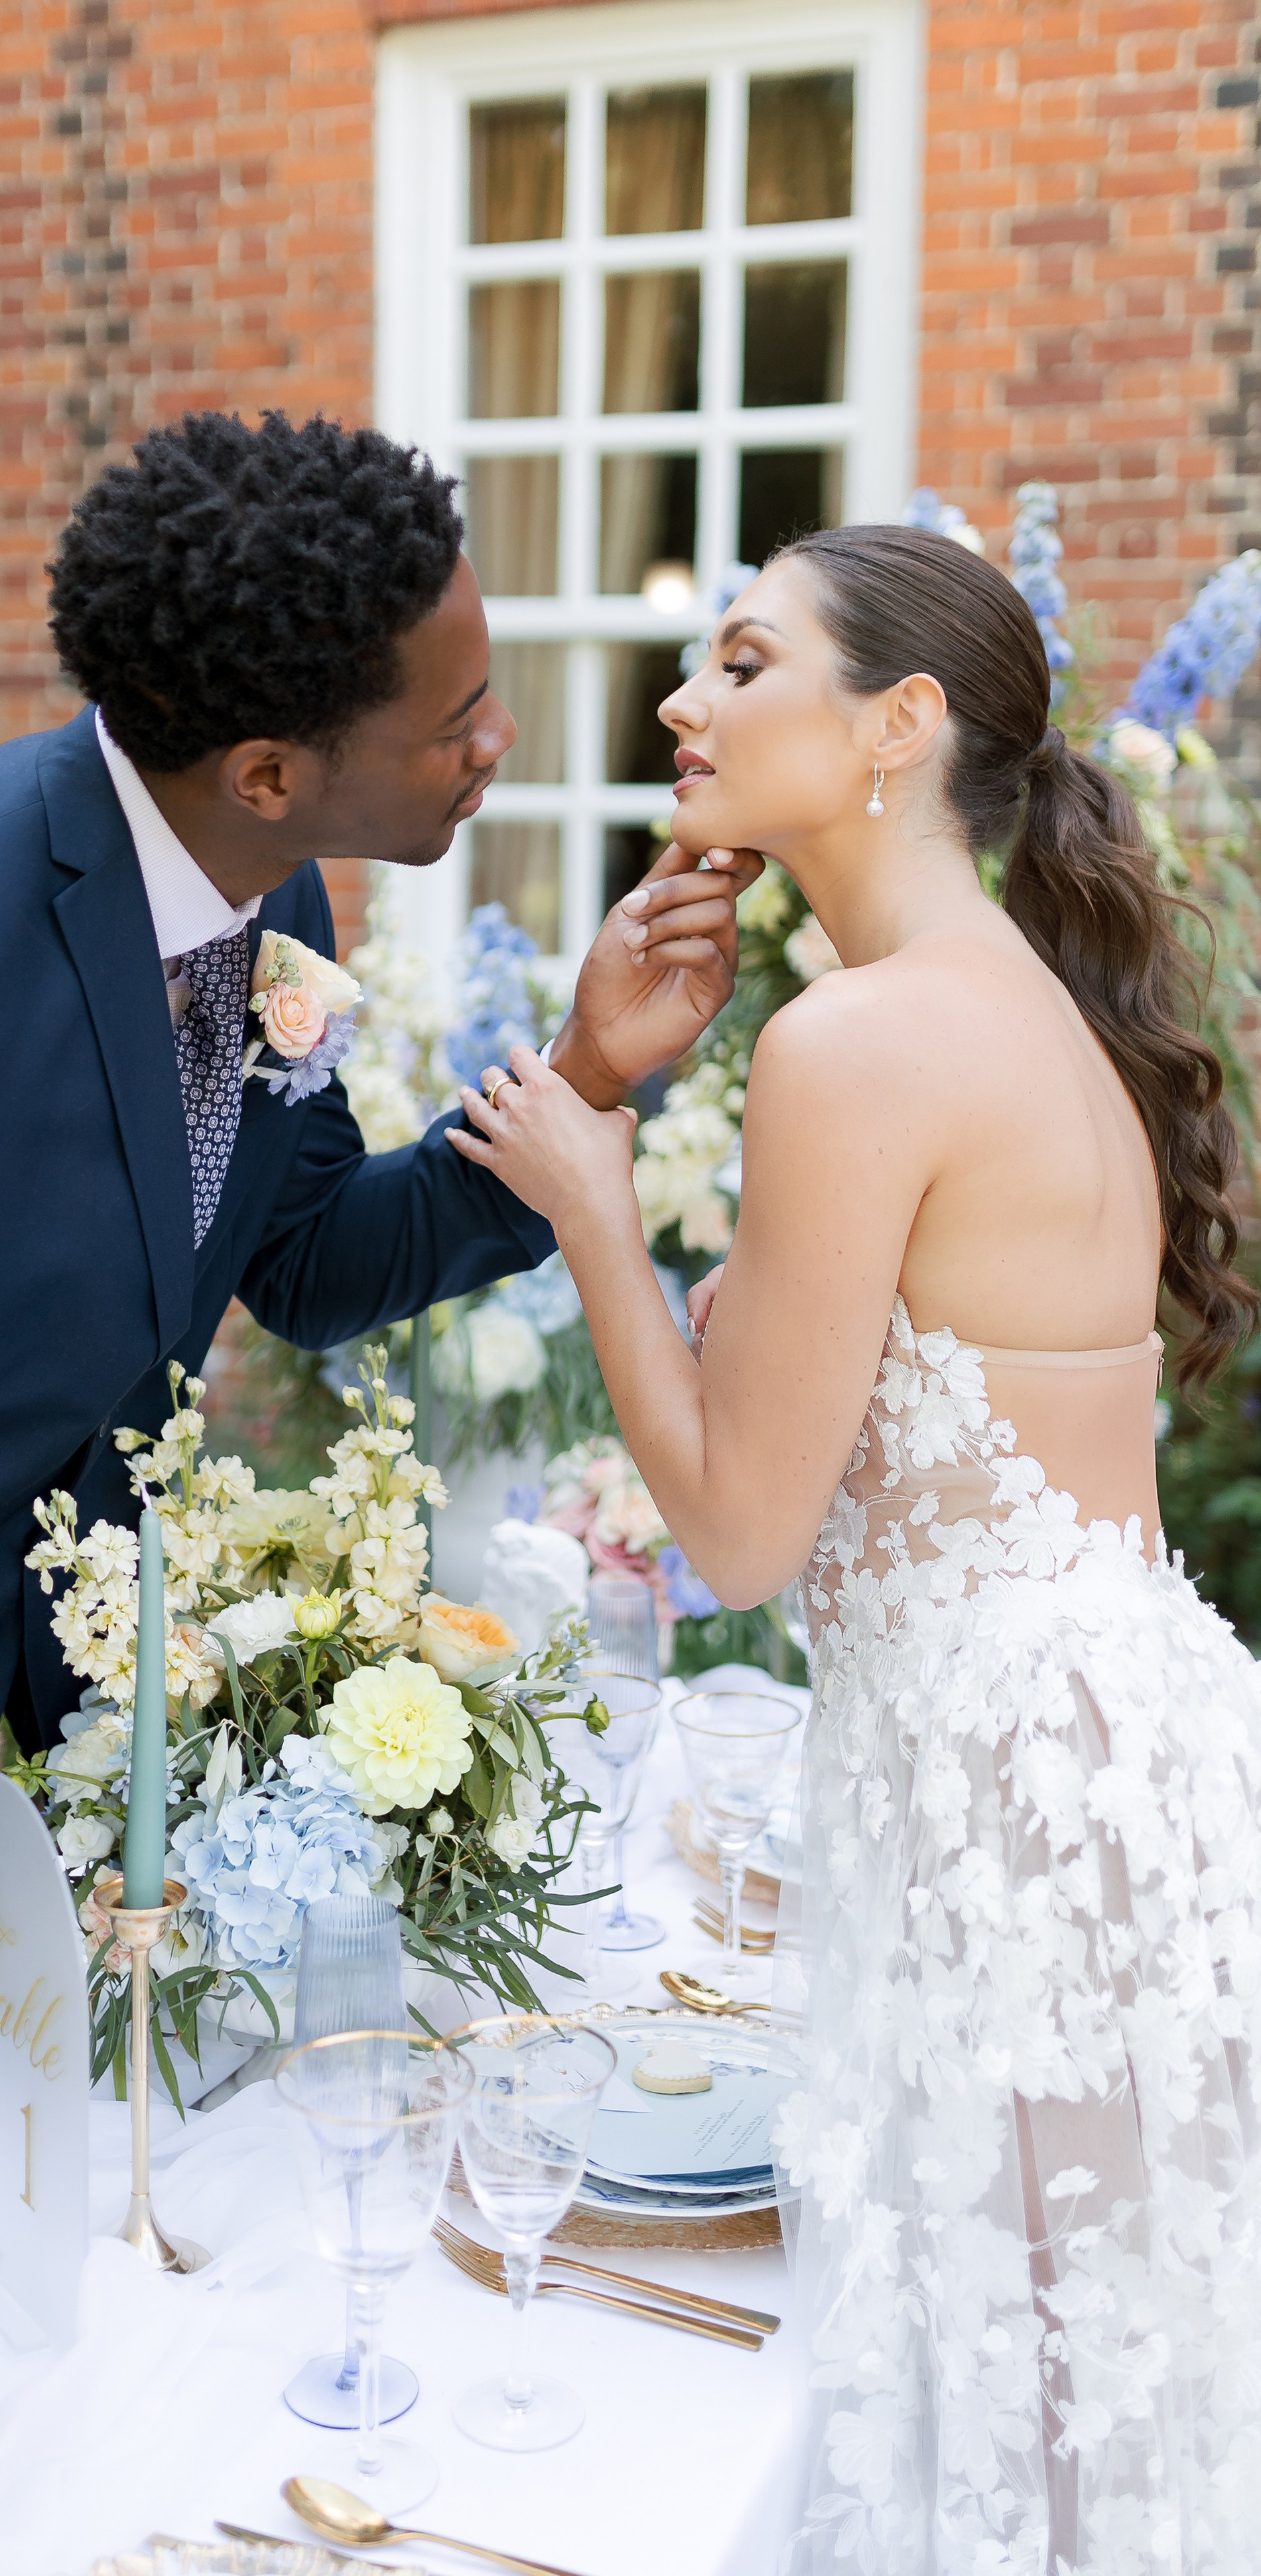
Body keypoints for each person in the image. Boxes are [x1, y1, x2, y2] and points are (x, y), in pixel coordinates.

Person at [0, 411, 752, 2196]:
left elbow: (310, 1258)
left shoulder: (274, 892)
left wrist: (589, 1069)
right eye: (457, 718)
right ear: (268, 767)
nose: (498, 741)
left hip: (41, 1814)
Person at [448, 524, 1261, 2571]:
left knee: (1009, 2407)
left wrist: (591, 1195)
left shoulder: (857, 1041)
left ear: (901, 725)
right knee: (1096, 2410)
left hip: (1009, 1814)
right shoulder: (1017, 1006)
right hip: (1112, 1773)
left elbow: (737, 1532)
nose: (683, 701)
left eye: (742, 662)